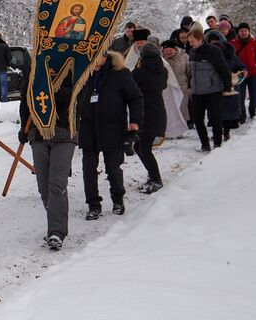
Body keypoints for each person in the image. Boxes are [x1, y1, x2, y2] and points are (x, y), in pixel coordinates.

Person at [77, 50, 143, 219]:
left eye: (96, 56)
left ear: (105, 56)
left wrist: (134, 122)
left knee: (113, 168)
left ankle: (118, 198)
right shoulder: (83, 74)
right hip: (88, 129)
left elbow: (135, 97)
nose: (93, 60)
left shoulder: (119, 73)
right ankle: (93, 204)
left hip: (112, 129)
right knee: (88, 170)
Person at [18, 72, 77, 250]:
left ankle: (56, 232)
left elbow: (77, 97)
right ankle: (55, 216)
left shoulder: (73, 69)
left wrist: (52, 89)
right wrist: (24, 128)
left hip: (64, 133)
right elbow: (25, 101)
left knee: (57, 183)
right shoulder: (35, 71)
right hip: (38, 134)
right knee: (43, 186)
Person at [186, 28, 232, 151]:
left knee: (216, 117)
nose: (190, 44)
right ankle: (204, 143)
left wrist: (227, 87)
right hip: (197, 92)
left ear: (200, 39)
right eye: (189, 41)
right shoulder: (192, 51)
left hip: (213, 90)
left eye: (193, 41)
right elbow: (191, 73)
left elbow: (223, 69)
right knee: (197, 118)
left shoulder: (213, 51)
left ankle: (217, 142)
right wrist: (190, 86)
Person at [132, 43, 168, 193]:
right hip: (157, 112)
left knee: (144, 149)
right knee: (140, 147)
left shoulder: (140, 72)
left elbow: (131, 86)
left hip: (146, 114)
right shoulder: (163, 70)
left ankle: (156, 179)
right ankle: (153, 176)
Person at [230, 23, 256, 120]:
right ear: (238, 32)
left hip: (254, 72)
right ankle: (242, 114)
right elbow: (229, 57)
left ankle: (252, 111)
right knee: (240, 96)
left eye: (245, 31)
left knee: (254, 94)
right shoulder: (233, 43)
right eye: (241, 31)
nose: (243, 33)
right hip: (239, 74)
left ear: (249, 31)